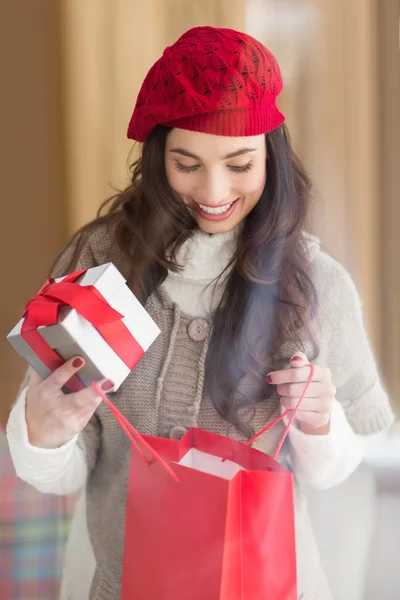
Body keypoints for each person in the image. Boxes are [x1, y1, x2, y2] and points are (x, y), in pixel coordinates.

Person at [6, 26, 394, 600]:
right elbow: (61, 472)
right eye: (187, 164)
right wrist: (43, 433)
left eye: (240, 165)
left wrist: (319, 423)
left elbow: (342, 465)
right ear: (159, 155)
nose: (213, 191)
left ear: (272, 154)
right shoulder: (98, 265)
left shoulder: (315, 283)